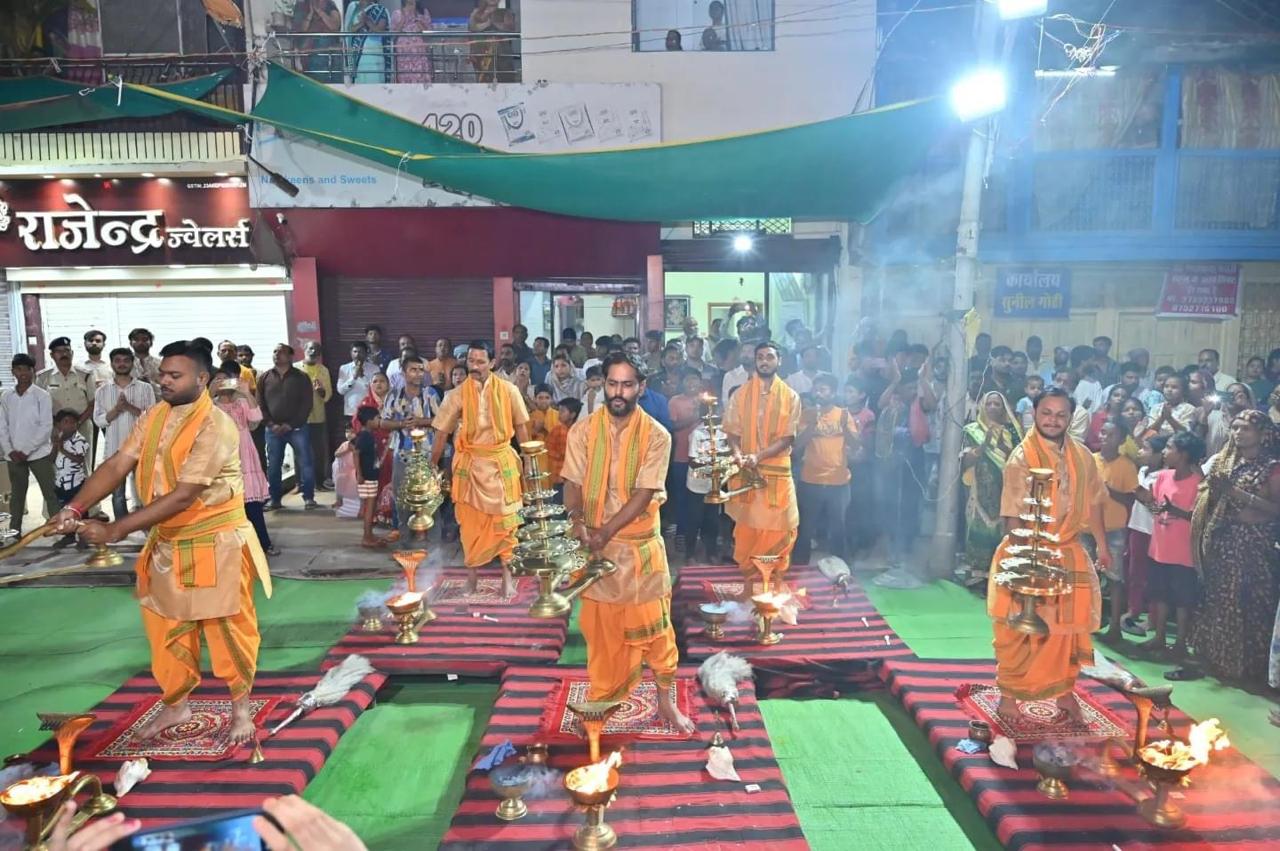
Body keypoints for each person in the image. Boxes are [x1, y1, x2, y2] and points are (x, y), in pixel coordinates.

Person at [48, 340, 272, 744]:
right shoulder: (154, 415)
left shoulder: (216, 424)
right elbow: (118, 463)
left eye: (174, 376)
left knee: (227, 631)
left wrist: (116, 530)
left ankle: (241, 708)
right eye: (162, 374)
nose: (163, 381)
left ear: (202, 379)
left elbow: (186, 494)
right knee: (164, 629)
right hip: (168, 541)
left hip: (215, 542)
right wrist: (76, 508)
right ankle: (176, 704)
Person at [561, 352, 694, 733]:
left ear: (641, 388)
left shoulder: (657, 435)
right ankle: (604, 699)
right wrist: (578, 520)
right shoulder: (583, 431)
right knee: (601, 634)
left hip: (639, 553)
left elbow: (643, 492)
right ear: (603, 385)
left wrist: (605, 531)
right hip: (596, 550)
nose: (618, 392)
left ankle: (666, 704)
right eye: (612, 384)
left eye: (627, 384)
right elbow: (572, 482)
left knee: (657, 634)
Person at [986, 388, 1110, 723]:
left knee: (1066, 631)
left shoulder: (1084, 455)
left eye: (1060, 415)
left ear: (1070, 418)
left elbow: (1096, 501)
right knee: (1019, 630)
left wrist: (1102, 544)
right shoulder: (1021, 457)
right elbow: (1011, 514)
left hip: (1069, 551)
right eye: (1046, 413)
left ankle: (1065, 696)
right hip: (1026, 554)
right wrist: (1024, 563)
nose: (1052, 420)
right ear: (1035, 414)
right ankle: (1009, 697)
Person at [1178, 411, 1279, 685]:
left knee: (1248, 605)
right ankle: (1216, 661)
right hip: (1223, 542)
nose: (1238, 433)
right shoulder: (1225, 462)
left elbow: (1276, 508)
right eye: (1234, 427)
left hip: (1254, 548)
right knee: (1218, 601)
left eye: (1245, 428)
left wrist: (1236, 493)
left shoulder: (1272, 466)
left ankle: (1248, 671)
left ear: (1262, 433)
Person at [430, 341, 531, 595]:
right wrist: (432, 465)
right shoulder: (456, 395)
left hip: (501, 464)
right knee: (470, 525)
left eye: (480, 361)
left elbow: (522, 427)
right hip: (471, 467)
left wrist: (530, 461)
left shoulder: (509, 390)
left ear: (492, 363)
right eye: (470, 361)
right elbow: (441, 432)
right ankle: (472, 578)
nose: (474, 367)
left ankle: (507, 578)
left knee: (507, 524)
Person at [724, 342, 800, 595]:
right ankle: (751, 587)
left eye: (769, 357)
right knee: (748, 533)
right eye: (760, 357)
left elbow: (788, 437)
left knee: (779, 532)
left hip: (776, 474)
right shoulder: (741, 395)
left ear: (779, 360)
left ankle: (773, 588)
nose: (764, 361)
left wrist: (758, 456)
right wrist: (737, 455)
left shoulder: (790, 396)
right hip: (747, 473)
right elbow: (732, 432)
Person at [1138, 431, 1205, 660]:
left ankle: (1180, 642)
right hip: (1160, 547)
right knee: (1160, 595)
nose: (1165, 452)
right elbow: (1157, 507)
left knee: (1183, 600)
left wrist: (1174, 511)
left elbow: (1199, 517)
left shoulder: (1198, 483)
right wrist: (1148, 502)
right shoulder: (1163, 476)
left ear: (1184, 454)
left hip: (1183, 551)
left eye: (1169, 447)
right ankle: (1159, 636)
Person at [794, 373, 859, 566]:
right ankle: (798, 568)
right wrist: (812, 424)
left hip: (838, 481)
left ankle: (841, 569)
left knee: (838, 528)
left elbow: (856, 444)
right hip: (810, 480)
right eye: (816, 389)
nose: (818, 393)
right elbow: (797, 447)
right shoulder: (807, 414)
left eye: (823, 389)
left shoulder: (843, 414)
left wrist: (845, 427)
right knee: (805, 529)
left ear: (832, 392)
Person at [212, 364, 276, 556]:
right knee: (226, 505)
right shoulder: (211, 404)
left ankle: (263, 544)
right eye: (219, 379)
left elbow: (256, 417)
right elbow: (200, 420)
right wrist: (208, 394)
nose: (224, 383)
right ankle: (231, 548)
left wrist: (247, 393)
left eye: (227, 379)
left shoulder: (241, 402)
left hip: (245, 455)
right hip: (222, 456)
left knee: (252, 505)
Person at [376, 354, 440, 541]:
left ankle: (430, 538)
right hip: (402, 454)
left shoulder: (431, 394)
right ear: (404, 373)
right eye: (413, 370)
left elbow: (442, 421)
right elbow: (383, 423)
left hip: (427, 453)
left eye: (421, 370)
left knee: (430, 495)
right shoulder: (394, 395)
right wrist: (402, 424)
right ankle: (404, 535)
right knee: (402, 496)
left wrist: (421, 421)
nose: (418, 374)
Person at [961, 391, 1022, 581]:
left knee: (1002, 531)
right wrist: (985, 444)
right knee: (980, 527)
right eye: (989, 404)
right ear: (982, 407)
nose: (993, 408)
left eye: (997, 404)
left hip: (1005, 487)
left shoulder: (1012, 431)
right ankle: (978, 576)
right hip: (980, 488)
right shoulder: (972, 430)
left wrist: (1004, 447)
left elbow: (1020, 459)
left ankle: (998, 575)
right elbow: (965, 461)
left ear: (1004, 409)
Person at [93, 347, 155, 521]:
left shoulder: (145, 388)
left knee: (144, 491)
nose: (122, 364)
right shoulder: (103, 391)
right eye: (117, 360)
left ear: (132, 363)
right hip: (115, 449)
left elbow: (152, 418)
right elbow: (99, 420)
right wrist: (116, 410)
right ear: (112, 364)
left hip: (140, 448)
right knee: (118, 494)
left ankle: (145, 524)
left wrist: (129, 408)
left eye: (126, 360)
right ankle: (121, 525)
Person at [0, 354, 59, 534]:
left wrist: (26, 451)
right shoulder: (6, 395)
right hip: (13, 455)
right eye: (19, 369)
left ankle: (61, 530)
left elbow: (45, 426)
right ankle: (14, 532)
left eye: (27, 369)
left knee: (51, 493)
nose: (23, 373)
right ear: (13, 372)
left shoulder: (41, 395)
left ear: (33, 371)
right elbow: (2, 425)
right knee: (17, 495)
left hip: (38, 453)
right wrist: (10, 450)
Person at [258, 344, 318, 511]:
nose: (277, 354)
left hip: (297, 428)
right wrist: (271, 424)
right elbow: (260, 404)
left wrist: (290, 424)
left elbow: (307, 404)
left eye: (281, 352)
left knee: (305, 461)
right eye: (274, 351)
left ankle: (308, 497)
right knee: (274, 464)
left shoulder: (301, 377)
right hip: (272, 429)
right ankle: (275, 499)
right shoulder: (264, 377)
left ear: (291, 356)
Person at [1095, 420, 1139, 643]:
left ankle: (1114, 625)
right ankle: (1087, 622)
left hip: (1114, 528)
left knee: (1114, 578)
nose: (1105, 438)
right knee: (1087, 578)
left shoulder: (1127, 466)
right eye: (1103, 433)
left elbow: (1132, 498)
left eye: (1111, 435)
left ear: (1121, 440)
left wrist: (1108, 490)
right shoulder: (1090, 460)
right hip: (1088, 527)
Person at [1122, 435, 1168, 638]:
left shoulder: (1164, 476)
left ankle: (1153, 616)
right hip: (1137, 526)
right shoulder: (1141, 471)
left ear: (1159, 454)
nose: (1141, 452)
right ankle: (1134, 609)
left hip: (1154, 530)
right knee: (1135, 572)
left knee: (1153, 576)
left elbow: (1157, 506)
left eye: (1146, 449)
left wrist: (1141, 495)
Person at [36, 337, 95, 473]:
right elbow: (39, 406)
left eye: (67, 351)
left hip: (82, 425)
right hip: (55, 427)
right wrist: (56, 425)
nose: (64, 354)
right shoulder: (43, 377)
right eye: (59, 351)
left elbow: (93, 403)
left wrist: (77, 423)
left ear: (72, 353)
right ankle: (61, 494)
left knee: (83, 465)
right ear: (52, 355)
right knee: (58, 464)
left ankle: (85, 493)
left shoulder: (85, 375)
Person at [667, 368, 703, 554]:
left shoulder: (706, 401)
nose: (692, 384)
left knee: (701, 498)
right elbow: (672, 426)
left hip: (703, 458)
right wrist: (693, 418)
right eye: (688, 380)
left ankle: (699, 535)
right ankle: (681, 533)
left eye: (695, 380)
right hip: (681, 456)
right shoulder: (675, 401)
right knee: (682, 498)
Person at [352, 372, 394, 528]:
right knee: (372, 485)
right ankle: (372, 515)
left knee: (389, 479)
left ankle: (388, 512)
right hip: (371, 449)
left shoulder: (394, 401)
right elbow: (358, 425)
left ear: (389, 384)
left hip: (390, 445)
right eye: (375, 381)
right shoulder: (365, 403)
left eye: (382, 381)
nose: (379, 384)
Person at [296, 341, 334, 491]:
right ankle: (300, 484)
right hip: (299, 417)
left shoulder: (323, 370)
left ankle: (319, 482)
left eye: (316, 350)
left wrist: (321, 391)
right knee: (300, 451)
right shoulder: (296, 369)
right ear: (304, 349)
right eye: (310, 348)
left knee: (318, 451)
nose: (313, 351)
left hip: (317, 416)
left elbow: (328, 394)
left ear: (319, 354)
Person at [51, 410, 90, 549]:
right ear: (59, 425)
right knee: (65, 510)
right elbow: (51, 459)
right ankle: (69, 537)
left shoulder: (80, 440)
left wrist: (63, 450)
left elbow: (79, 459)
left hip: (76, 482)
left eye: (73, 422)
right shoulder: (59, 438)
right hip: (61, 482)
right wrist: (56, 446)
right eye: (66, 422)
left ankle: (84, 538)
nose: (70, 425)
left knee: (81, 512)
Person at [351, 406, 388, 548]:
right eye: (377, 418)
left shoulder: (367, 434)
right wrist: (359, 474)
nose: (379, 421)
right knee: (369, 507)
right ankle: (367, 536)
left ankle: (369, 534)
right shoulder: (365, 436)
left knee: (370, 507)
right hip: (367, 477)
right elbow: (356, 452)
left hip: (370, 475)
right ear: (369, 421)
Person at [346, 0, 389, 83]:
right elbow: (349, 29)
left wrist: (367, 21)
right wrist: (361, 24)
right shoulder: (353, 8)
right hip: (357, 54)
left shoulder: (379, 10)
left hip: (374, 53)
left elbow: (380, 30)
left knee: (375, 83)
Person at [546, 397, 580, 500]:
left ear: (572, 415)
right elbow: (553, 450)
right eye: (559, 410)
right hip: (561, 476)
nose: (559, 413)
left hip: (572, 478)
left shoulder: (578, 430)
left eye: (562, 411)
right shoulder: (558, 430)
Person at [391, 0, 433, 82]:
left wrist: (416, 17)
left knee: (420, 75)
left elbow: (429, 33)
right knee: (405, 76)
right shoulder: (397, 13)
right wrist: (403, 20)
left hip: (419, 50)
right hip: (404, 52)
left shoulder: (423, 12)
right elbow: (392, 35)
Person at [338, 341, 378, 418]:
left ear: (366, 353)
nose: (357, 355)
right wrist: (353, 378)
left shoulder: (374, 368)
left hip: (369, 410)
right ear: (351, 353)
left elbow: (376, 390)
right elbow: (341, 391)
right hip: (351, 411)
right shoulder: (344, 368)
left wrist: (362, 376)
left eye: (361, 352)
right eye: (355, 352)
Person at [1086, 384, 1130, 451]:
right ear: (1109, 399)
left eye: (1123, 397)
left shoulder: (1127, 420)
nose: (1119, 398)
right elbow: (1090, 443)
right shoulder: (1098, 417)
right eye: (1116, 395)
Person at [128, 327, 162, 391]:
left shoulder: (160, 364)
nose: (140, 342)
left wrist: (150, 384)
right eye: (136, 340)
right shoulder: (125, 364)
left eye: (145, 339)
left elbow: (166, 388)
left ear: (151, 343)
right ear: (130, 343)